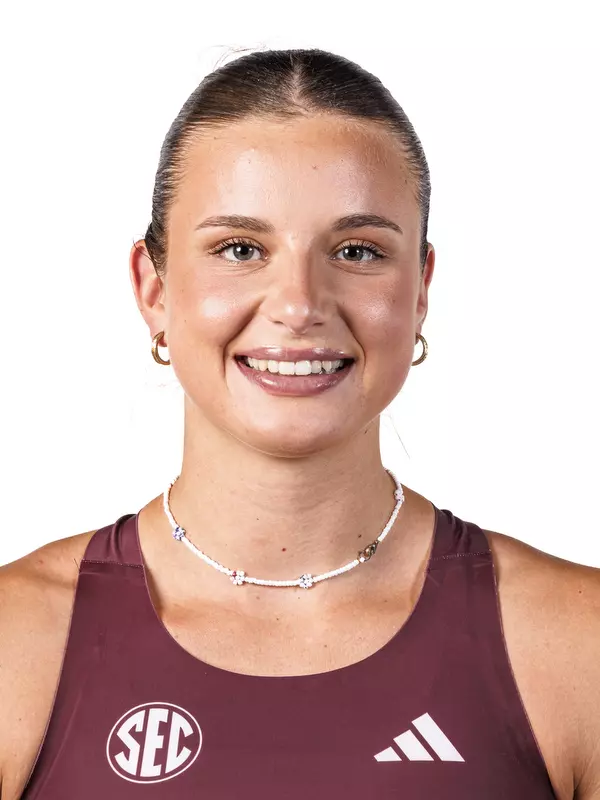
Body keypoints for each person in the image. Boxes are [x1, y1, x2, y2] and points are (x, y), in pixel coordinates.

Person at [0, 47, 598, 800]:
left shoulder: (578, 649)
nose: (298, 303)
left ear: (419, 290)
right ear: (153, 289)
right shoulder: (17, 648)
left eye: (357, 250)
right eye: (240, 249)